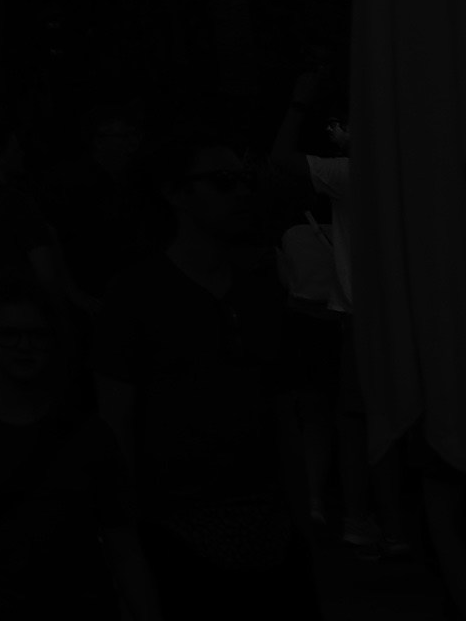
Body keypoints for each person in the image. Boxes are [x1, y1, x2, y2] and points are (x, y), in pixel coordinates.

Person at [99, 151, 309, 621]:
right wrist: (126, 550)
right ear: (177, 194)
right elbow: (116, 426)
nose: (240, 192)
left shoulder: (261, 293)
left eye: (244, 180)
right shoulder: (136, 295)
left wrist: (299, 528)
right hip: (175, 533)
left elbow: (283, 417)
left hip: (270, 531)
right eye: (222, 181)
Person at [0, 290, 151, 621]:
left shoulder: (91, 436)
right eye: (10, 334)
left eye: (36, 334)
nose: (23, 345)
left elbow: (124, 544)